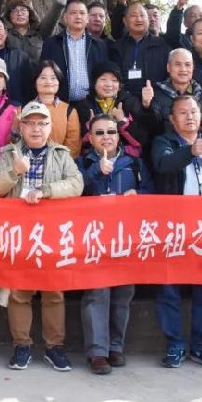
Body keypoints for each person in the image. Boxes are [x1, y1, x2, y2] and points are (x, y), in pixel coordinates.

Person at [0, 101, 84, 371]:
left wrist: (46, 190)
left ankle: (55, 347)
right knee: (19, 292)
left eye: (42, 123)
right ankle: (22, 345)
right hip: (18, 233)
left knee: (54, 291)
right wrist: (14, 172)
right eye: (30, 123)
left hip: (52, 232)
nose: (36, 128)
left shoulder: (62, 155)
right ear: (22, 126)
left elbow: (77, 184)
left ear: (50, 127)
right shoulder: (9, 154)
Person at [150, 96, 202, 369]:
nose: (190, 117)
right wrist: (191, 152)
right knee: (169, 289)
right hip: (173, 227)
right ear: (172, 119)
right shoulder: (164, 143)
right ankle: (174, 345)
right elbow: (162, 165)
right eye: (182, 113)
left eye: (194, 112)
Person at [76, 113, 150, 373]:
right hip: (93, 238)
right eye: (99, 133)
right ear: (90, 138)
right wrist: (96, 170)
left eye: (110, 131)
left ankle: (115, 347)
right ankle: (97, 352)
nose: (106, 137)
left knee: (123, 294)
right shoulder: (81, 162)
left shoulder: (135, 164)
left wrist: (138, 194)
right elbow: (72, 191)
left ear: (119, 135)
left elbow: (152, 194)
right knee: (97, 293)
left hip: (125, 238)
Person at [73, 61, 152, 158]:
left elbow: (142, 140)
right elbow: (77, 143)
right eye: (103, 79)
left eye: (114, 80)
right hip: (94, 159)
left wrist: (123, 121)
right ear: (94, 83)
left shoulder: (130, 103)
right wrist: (91, 127)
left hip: (126, 159)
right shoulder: (84, 106)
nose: (109, 84)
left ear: (120, 85)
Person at [149, 48, 202, 144]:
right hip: (169, 150)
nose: (183, 69)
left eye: (187, 65)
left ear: (193, 67)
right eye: (177, 64)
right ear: (168, 67)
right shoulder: (156, 95)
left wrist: (200, 142)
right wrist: (146, 106)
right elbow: (152, 130)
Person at [40, 0, 108, 102]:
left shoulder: (99, 45)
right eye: (73, 13)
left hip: (91, 103)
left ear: (87, 19)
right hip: (59, 103)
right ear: (65, 17)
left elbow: (104, 75)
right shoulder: (51, 44)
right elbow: (42, 74)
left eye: (82, 13)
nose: (78, 16)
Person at [111, 0, 171, 98]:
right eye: (134, 16)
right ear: (125, 21)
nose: (139, 19)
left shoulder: (162, 45)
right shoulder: (117, 48)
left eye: (142, 15)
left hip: (156, 102)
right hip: (125, 103)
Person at [31, 60, 82, 157]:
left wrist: (57, 165)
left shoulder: (69, 111)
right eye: (43, 77)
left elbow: (73, 145)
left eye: (53, 78)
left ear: (59, 82)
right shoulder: (24, 109)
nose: (48, 82)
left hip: (61, 167)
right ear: (35, 81)